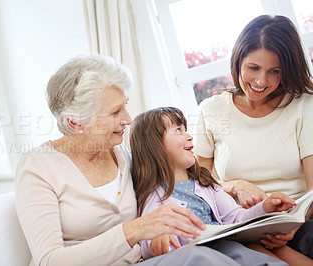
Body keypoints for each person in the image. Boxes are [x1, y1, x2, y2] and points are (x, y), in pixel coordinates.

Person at [14, 54, 287, 266]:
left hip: (149, 260)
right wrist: (136, 230)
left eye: (125, 105)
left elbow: (174, 180)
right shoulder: (38, 166)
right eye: (115, 111)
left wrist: (234, 185)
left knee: (233, 252)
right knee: (201, 259)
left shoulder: (122, 155)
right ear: (75, 123)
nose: (127, 119)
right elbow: (48, 260)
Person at [193, 14, 313, 263]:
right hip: (240, 224)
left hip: (299, 221)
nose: (261, 81)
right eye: (253, 68)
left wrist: (291, 226)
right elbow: (199, 185)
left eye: (274, 71)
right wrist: (234, 185)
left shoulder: (303, 105)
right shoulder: (212, 110)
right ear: (238, 61)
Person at [130, 106, 309, 264]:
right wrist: (155, 241)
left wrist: (265, 207)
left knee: (263, 255)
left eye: (186, 130)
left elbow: (235, 218)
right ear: (154, 145)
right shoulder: (153, 195)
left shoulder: (205, 183)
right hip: (200, 254)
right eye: (178, 130)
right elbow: (148, 235)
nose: (190, 137)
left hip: (225, 244)